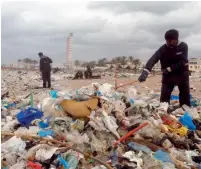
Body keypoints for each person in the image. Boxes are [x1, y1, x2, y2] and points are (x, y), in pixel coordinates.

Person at [138, 29, 190, 107]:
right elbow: (153, 59)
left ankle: (185, 110)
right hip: (168, 76)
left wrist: (169, 69)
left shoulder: (183, 46)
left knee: (184, 94)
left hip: (182, 74)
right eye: (167, 41)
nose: (168, 43)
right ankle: (163, 112)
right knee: (164, 96)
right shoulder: (163, 48)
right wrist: (146, 71)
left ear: (176, 40)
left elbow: (183, 62)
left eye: (170, 41)